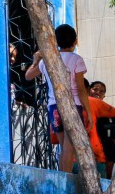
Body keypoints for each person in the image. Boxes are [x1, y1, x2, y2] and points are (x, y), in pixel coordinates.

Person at [25, 24, 92, 173]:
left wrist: (36, 59)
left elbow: (28, 75)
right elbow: (81, 90)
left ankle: (63, 179)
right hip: (73, 106)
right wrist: (89, 112)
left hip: (53, 107)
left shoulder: (48, 61)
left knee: (64, 148)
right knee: (69, 149)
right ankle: (66, 183)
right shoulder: (77, 60)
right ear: (75, 41)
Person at [86, 80, 115, 179]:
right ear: (88, 90)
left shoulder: (107, 113)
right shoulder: (86, 104)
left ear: (104, 96)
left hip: (106, 154)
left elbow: (113, 136)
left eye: (101, 91)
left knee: (106, 181)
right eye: (95, 89)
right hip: (91, 153)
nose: (98, 93)